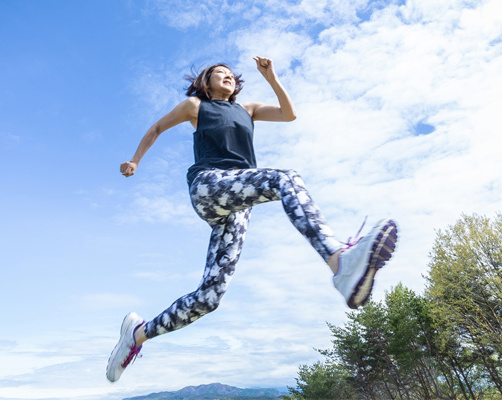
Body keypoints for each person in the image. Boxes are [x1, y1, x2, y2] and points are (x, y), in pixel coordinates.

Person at [106, 56, 398, 382]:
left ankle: (138, 334)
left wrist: (272, 77)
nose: (228, 77)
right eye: (221, 73)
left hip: (238, 206)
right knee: (284, 179)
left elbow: (290, 114)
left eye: (232, 75)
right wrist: (134, 161)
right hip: (209, 185)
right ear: (206, 81)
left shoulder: (249, 109)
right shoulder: (195, 106)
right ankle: (339, 263)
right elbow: (158, 128)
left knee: (210, 296)